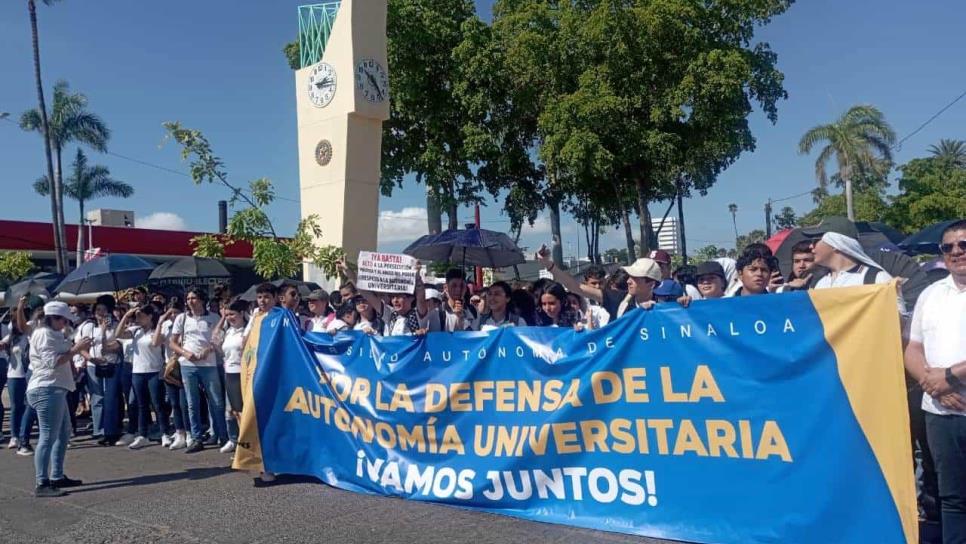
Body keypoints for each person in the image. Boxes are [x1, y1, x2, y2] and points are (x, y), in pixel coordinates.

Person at [905, 219, 966, 543]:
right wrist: (933, 385)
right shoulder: (931, 294)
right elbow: (913, 348)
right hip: (940, 413)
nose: (957, 251)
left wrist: (949, 376)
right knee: (951, 498)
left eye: (964, 245)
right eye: (949, 247)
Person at [28, 301, 92, 497]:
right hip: (47, 388)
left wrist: (73, 349)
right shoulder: (44, 334)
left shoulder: (54, 333)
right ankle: (42, 482)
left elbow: (63, 355)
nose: (66, 323)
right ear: (54, 318)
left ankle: (56, 475)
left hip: (56, 388)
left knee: (63, 433)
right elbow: (53, 362)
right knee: (47, 436)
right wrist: (75, 349)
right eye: (64, 320)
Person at [169, 287, 228, 453]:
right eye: (188, 299)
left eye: (193, 298)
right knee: (191, 402)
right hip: (188, 364)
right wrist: (186, 353)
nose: (190, 301)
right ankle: (196, 438)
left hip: (209, 364)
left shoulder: (213, 317)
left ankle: (223, 435)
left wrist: (207, 350)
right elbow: (173, 342)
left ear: (202, 300)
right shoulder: (182, 318)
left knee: (216, 402)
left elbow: (217, 339)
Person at [114, 304, 170, 450]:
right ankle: (142, 435)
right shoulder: (135, 331)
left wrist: (159, 323)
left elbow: (156, 342)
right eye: (137, 316)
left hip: (154, 370)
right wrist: (126, 315)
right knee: (141, 404)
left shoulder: (157, 330)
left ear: (150, 316)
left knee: (158, 404)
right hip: (138, 371)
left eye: (141, 315)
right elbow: (118, 334)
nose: (138, 318)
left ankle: (165, 432)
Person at [338, 260, 431, 336]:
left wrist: (417, 276)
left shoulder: (418, 314)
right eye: (392, 297)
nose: (395, 300)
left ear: (411, 298)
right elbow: (367, 295)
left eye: (399, 296)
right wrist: (350, 273)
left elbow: (421, 297)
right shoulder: (390, 314)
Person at [77, 295, 124, 446]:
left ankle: (112, 431)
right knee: (97, 398)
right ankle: (99, 430)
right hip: (93, 365)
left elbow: (117, 346)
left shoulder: (116, 325)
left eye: (104, 310)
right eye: (98, 310)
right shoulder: (88, 326)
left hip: (111, 364)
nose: (101, 313)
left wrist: (105, 331)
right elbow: (81, 348)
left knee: (111, 397)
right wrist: (91, 359)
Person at [213, 299, 249, 454]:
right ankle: (240, 442)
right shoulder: (229, 331)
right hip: (230, 373)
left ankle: (247, 444)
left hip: (244, 373)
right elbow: (217, 343)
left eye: (232, 314)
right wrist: (223, 318)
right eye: (227, 315)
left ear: (242, 313)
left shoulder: (248, 330)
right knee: (235, 411)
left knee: (244, 412)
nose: (229, 317)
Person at [159, 298, 188, 450]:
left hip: (184, 364)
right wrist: (160, 321)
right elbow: (156, 342)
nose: (173, 316)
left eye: (176, 313)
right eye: (170, 313)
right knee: (174, 402)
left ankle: (189, 432)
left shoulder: (187, 323)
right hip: (170, 366)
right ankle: (179, 432)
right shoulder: (165, 325)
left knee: (185, 403)